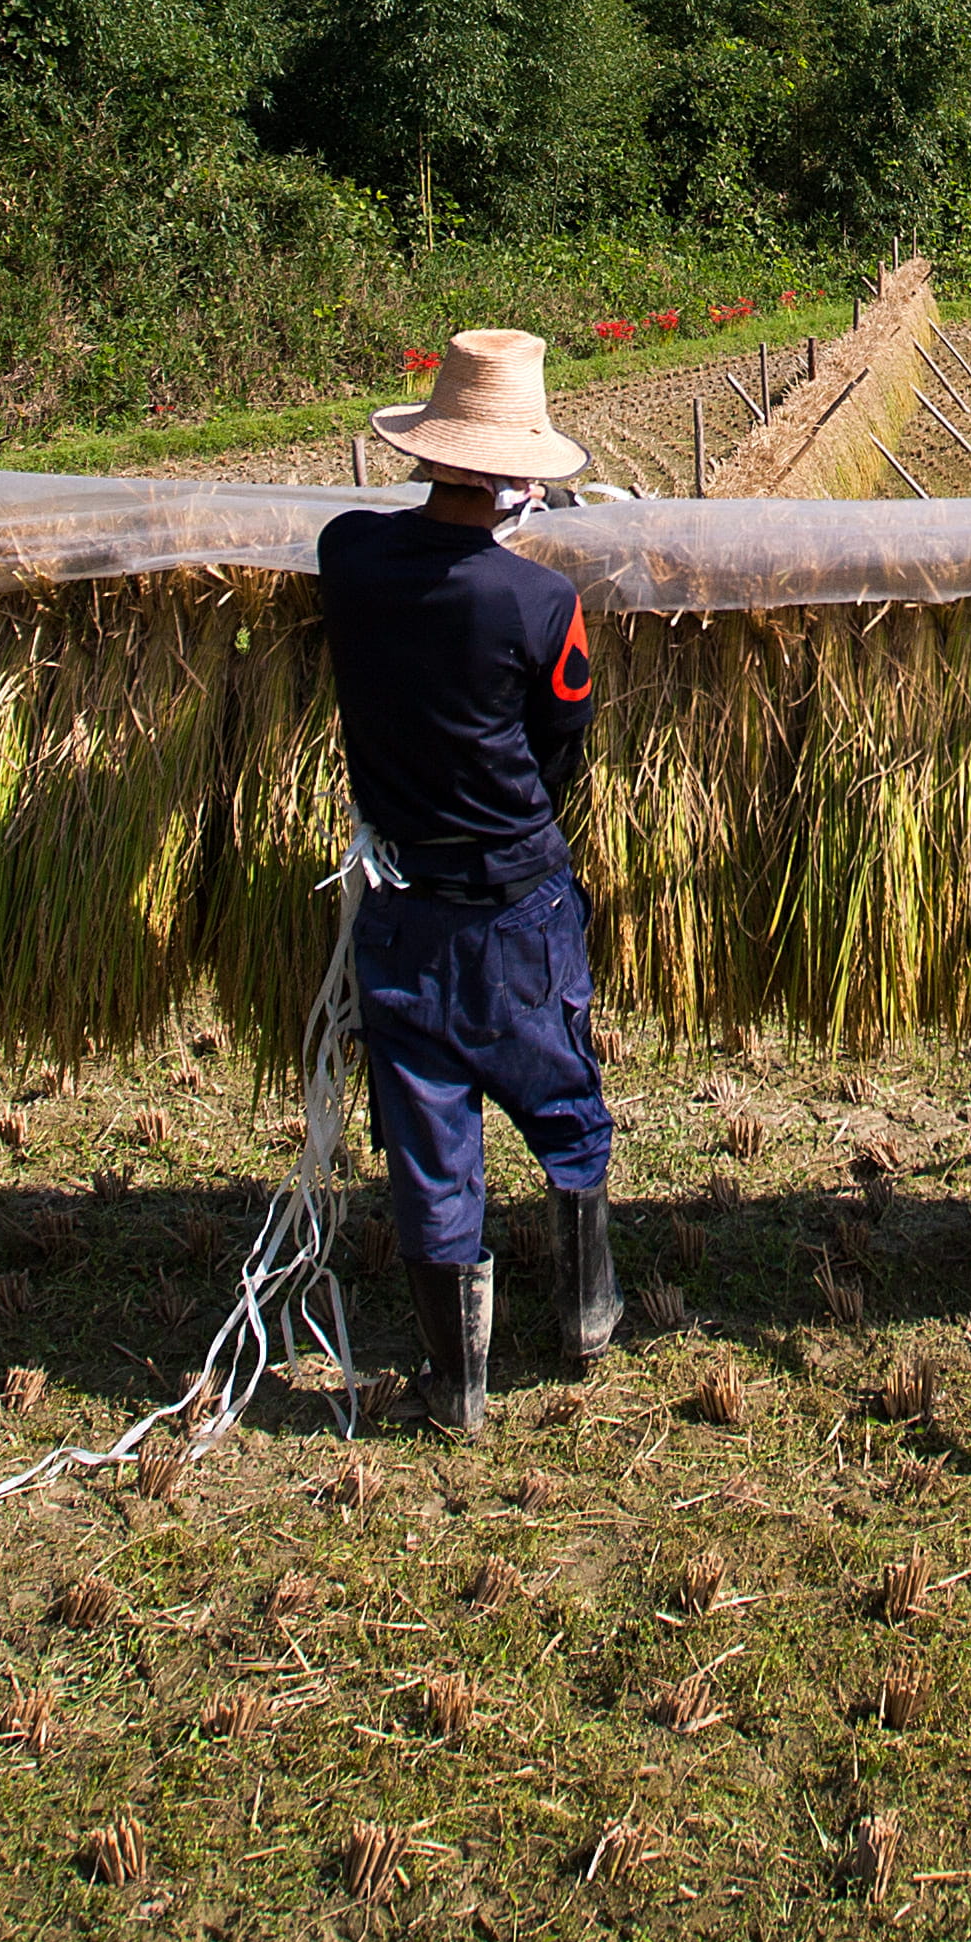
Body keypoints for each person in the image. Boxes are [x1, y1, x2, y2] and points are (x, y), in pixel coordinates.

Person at [322, 327, 617, 1434]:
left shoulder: (348, 557)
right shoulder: (539, 606)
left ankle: (457, 1386)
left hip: (401, 905)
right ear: (521, 479)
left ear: (427, 451)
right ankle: (586, 1315)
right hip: (516, 902)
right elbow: (561, 746)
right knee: (562, 1098)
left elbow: (393, 557)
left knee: (428, 1131)